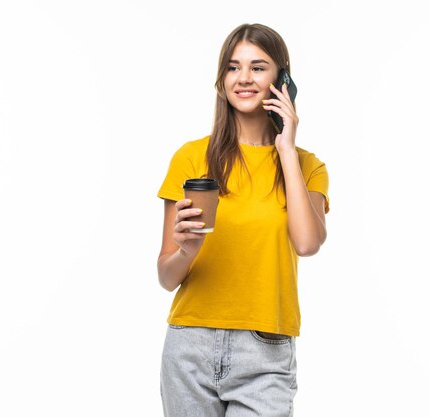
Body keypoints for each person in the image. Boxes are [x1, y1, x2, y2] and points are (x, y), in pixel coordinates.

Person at [156, 23, 329, 417]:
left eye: (258, 67)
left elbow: (307, 243)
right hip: (190, 345)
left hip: (265, 351)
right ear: (222, 79)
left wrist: (285, 146)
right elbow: (167, 277)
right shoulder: (191, 159)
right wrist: (188, 249)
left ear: (282, 79)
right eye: (234, 68)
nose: (244, 78)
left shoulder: (307, 167)